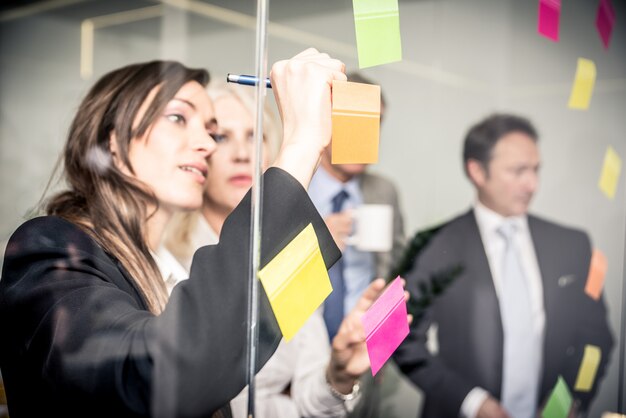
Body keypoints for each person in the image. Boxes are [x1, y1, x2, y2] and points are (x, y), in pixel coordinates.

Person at [0, 49, 366, 417]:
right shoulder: (51, 247)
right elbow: (164, 379)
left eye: (210, 131)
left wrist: (337, 376)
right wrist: (301, 144)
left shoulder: (169, 270)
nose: (208, 145)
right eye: (178, 117)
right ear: (112, 140)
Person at [164, 81, 391, 417]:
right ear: (199, 150)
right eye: (222, 137)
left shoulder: (292, 256)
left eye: (256, 136)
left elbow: (312, 398)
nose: (242, 154)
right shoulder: (167, 258)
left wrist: (338, 376)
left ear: (272, 153)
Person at [394, 113, 614, 418]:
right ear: (477, 171)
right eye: (518, 171)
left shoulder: (573, 245)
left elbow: (596, 340)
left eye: (536, 170)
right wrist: (471, 402)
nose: (532, 184)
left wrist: (570, 400)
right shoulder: (432, 244)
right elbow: (394, 339)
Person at [308, 72, 418, 418]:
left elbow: (399, 271)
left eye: (376, 124)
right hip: (298, 358)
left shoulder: (383, 191)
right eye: (355, 122)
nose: (368, 135)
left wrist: (382, 352)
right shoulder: (291, 188)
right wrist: (315, 240)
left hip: (364, 362)